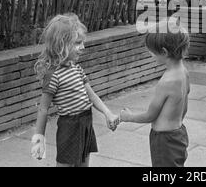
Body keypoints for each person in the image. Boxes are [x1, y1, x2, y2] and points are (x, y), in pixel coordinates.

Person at [30, 14, 120, 167]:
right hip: (70, 126)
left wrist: (108, 113)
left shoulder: (76, 68)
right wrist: (39, 139)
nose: (83, 47)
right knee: (65, 164)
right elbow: (43, 110)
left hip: (86, 122)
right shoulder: (53, 75)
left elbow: (91, 95)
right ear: (61, 44)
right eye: (78, 43)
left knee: (84, 163)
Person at [120, 23, 190, 167]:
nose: (151, 55)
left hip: (164, 140)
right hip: (179, 134)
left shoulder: (166, 82)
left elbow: (150, 116)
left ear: (164, 52)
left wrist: (128, 117)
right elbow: (184, 107)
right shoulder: (184, 73)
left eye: (152, 52)